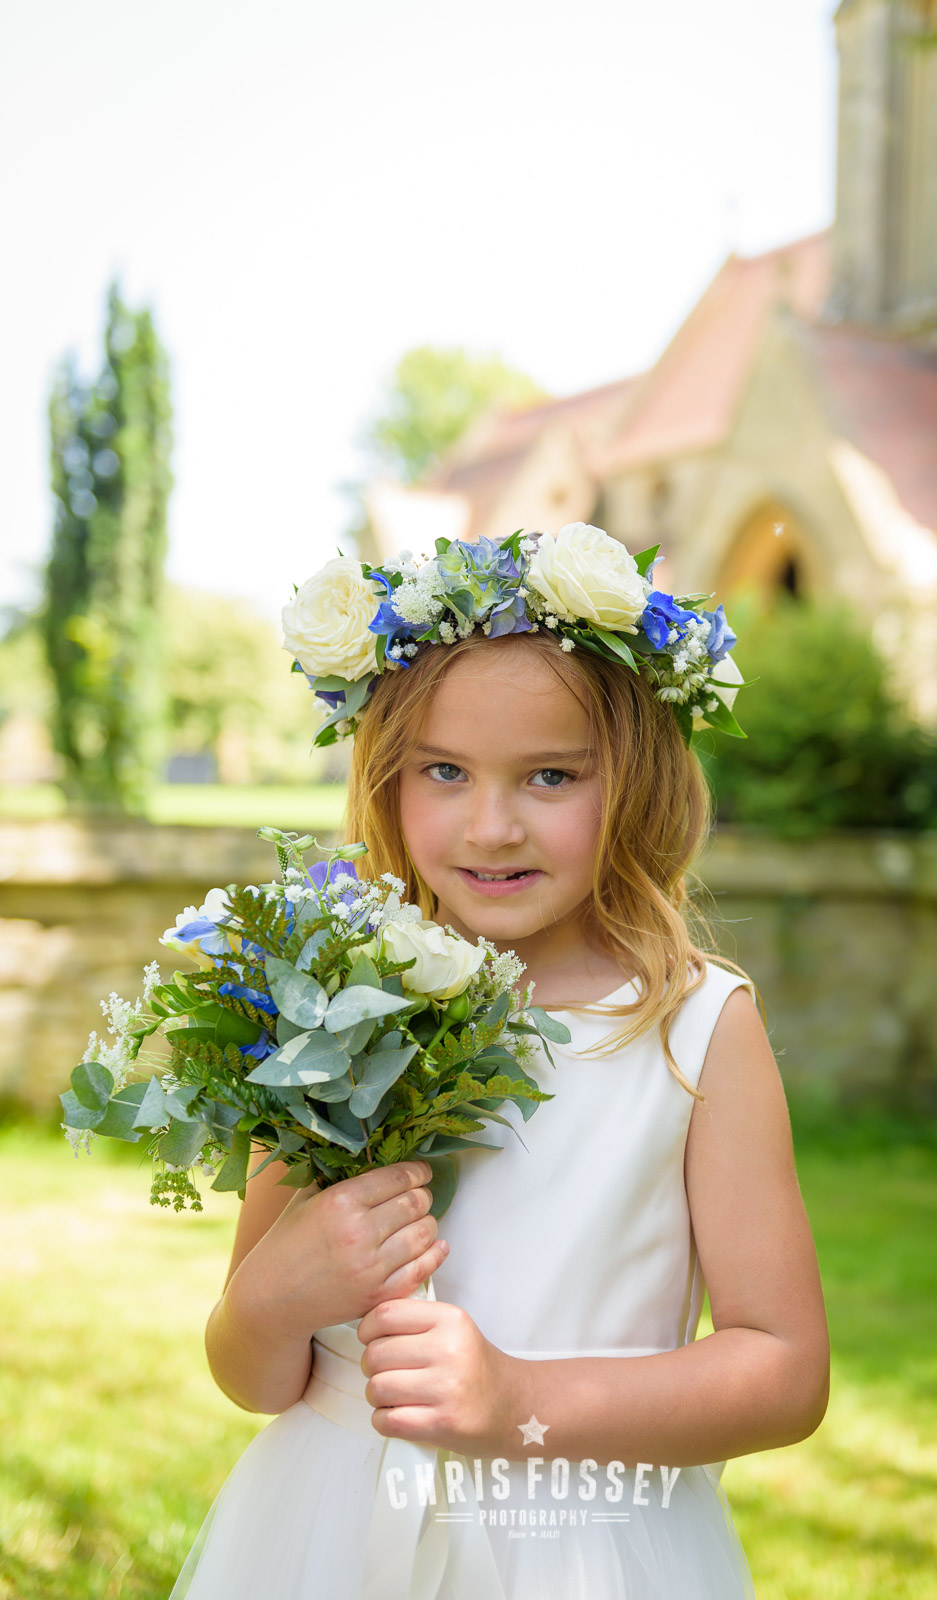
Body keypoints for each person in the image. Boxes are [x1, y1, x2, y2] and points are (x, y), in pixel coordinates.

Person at [170, 524, 830, 1599]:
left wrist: (513, 1394)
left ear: (638, 781)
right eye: (444, 770)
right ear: (386, 777)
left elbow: (785, 1371)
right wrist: (271, 1297)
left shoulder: (698, 1025)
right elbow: (252, 1375)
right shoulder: (329, 1005)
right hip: (329, 1532)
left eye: (551, 776)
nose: (492, 824)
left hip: (583, 1541)